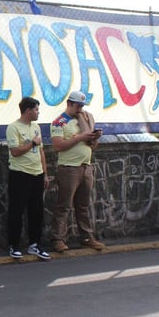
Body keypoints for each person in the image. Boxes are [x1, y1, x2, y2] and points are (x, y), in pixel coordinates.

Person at [50, 91, 105, 252]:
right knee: (64, 205)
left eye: (82, 106)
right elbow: (58, 146)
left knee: (83, 205)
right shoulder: (59, 122)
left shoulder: (86, 119)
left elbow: (93, 146)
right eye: (77, 105)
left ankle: (87, 237)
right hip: (69, 168)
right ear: (69, 104)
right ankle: (58, 238)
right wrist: (80, 137)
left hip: (86, 166)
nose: (80, 109)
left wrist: (94, 137)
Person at [5, 96, 51, 260]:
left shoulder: (36, 127)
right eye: (36, 109)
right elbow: (15, 151)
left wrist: (45, 174)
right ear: (28, 110)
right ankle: (14, 245)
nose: (38, 113)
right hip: (20, 174)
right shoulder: (13, 127)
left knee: (36, 211)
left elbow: (41, 152)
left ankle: (35, 244)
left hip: (36, 174)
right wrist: (32, 143)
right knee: (17, 211)